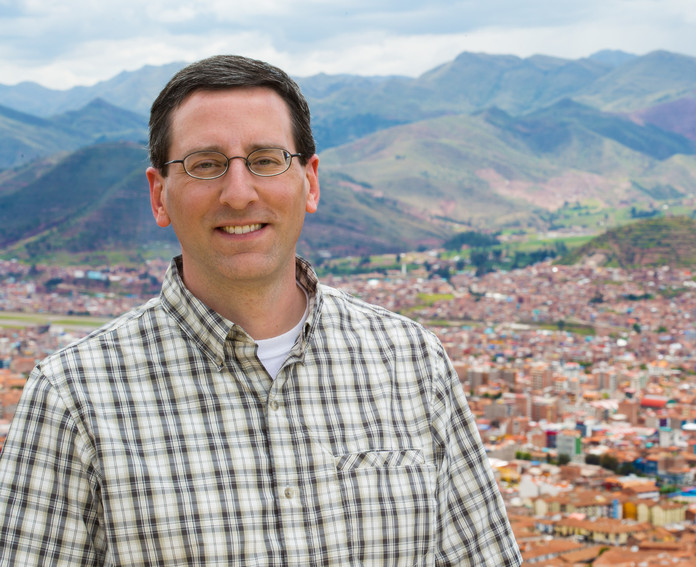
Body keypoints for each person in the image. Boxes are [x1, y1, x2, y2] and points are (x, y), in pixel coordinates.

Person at [0, 55, 522, 566]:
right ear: (159, 196)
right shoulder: (73, 397)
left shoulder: (410, 361)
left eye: (265, 160)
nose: (238, 192)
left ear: (310, 182)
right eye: (204, 165)